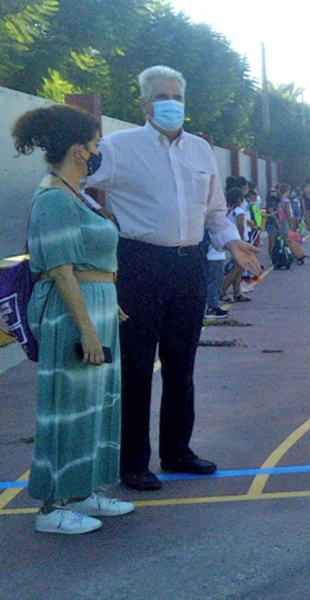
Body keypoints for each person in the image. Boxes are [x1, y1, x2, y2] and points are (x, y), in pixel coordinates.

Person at [85, 65, 261, 491]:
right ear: (144, 104)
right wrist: (100, 223)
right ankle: (133, 463)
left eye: (177, 97)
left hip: (189, 266)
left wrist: (232, 241)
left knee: (182, 365)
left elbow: (215, 212)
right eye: (161, 97)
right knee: (137, 366)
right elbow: (72, 182)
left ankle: (178, 451)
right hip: (139, 264)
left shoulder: (200, 150)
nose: (171, 104)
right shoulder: (118, 147)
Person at [14, 104, 135, 533]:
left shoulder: (73, 194)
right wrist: (88, 329)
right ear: (77, 149)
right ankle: (52, 507)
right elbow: (62, 271)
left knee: (95, 406)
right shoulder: (53, 198)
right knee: (67, 408)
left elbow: (86, 259)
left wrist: (108, 303)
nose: (98, 151)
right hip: (72, 316)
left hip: (95, 306)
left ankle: (82, 491)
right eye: (95, 143)